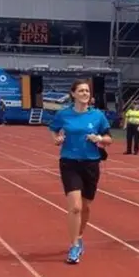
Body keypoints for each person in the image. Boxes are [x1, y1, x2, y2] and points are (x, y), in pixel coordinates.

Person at [49, 79, 112, 264]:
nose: (85, 93)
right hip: (69, 163)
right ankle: (74, 245)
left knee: (85, 207)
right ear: (73, 94)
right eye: (81, 90)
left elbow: (109, 139)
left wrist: (99, 138)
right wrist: (57, 139)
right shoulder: (64, 114)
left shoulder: (98, 116)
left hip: (91, 164)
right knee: (75, 207)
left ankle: (80, 235)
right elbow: (53, 130)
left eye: (87, 91)